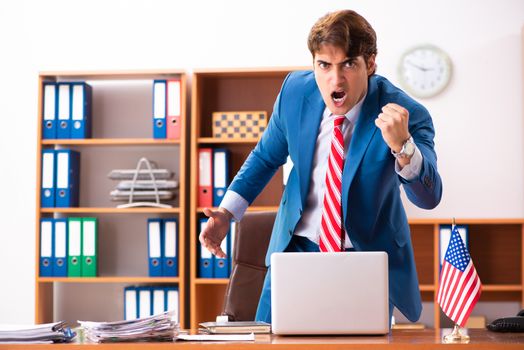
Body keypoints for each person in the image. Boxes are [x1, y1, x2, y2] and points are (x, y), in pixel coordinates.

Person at [199, 9, 442, 325]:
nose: (335, 80)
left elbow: (429, 197)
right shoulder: (295, 92)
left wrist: (404, 147)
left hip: (365, 259)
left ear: (370, 64)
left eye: (349, 64)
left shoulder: (405, 113)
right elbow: (265, 157)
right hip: (297, 250)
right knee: (274, 340)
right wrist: (226, 213)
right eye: (324, 65)